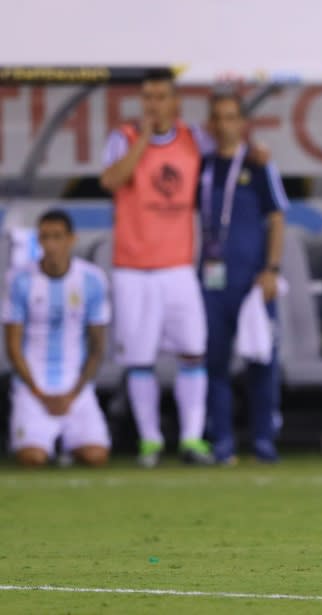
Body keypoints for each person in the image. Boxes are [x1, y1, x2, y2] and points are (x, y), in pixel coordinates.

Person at [100, 70, 214, 467]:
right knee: (139, 358)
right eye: (147, 97)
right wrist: (144, 140)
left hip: (178, 265)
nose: (153, 104)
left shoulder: (193, 138)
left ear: (175, 102)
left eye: (160, 97)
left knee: (193, 351)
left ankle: (191, 439)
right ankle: (150, 441)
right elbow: (112, 180)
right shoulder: (125, 138)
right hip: (133, 267)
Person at [199, 91, 290, 464]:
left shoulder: (258, 165)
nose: (224, 125)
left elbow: (277, 219)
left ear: (242, 123)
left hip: (253, 282)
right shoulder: (200, 167)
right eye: (217, 118)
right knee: (214, 362)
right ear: (210, 125)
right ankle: (222, 440)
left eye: (230, 117)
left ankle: (264, 440)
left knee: (262, 362)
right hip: (211, 281)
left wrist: (271, 270)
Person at [2, 210, 111, 467]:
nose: (50, 245)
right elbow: (13, 346)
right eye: (44, 237)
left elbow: (97, 346)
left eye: (57, 237)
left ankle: (67, 444)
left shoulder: (92, 279)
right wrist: (40, 393)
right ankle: (39, 439)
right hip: (33, 388)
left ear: (71, 239)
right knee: (32, 458)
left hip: (75, 388)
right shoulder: (20, 280)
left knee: (96, 457)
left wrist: (73, 394)